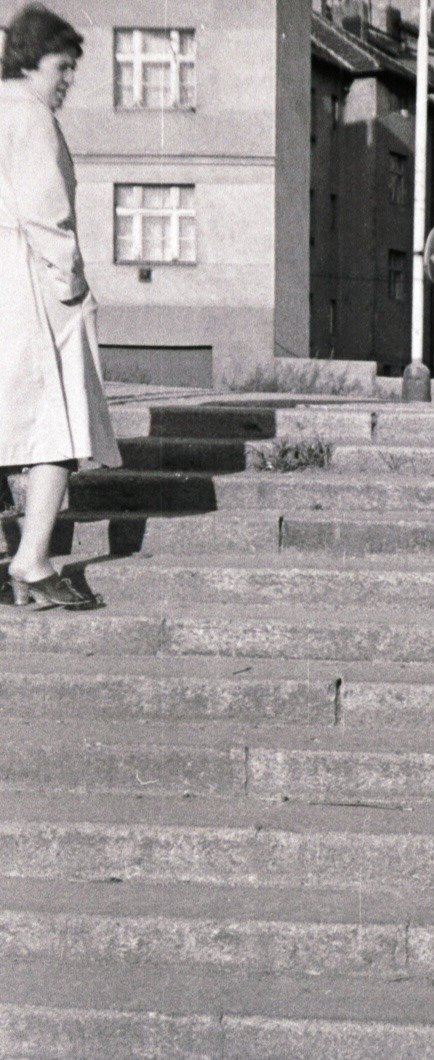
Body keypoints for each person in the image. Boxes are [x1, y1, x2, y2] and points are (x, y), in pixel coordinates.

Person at [0, 3, 120, 610]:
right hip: (30, 287)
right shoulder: (30, 115)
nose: (68, 79)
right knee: (58, 422)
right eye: (62, 66)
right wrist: (72, 285)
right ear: (30, 60)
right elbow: (47, 214)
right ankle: (33, 561)